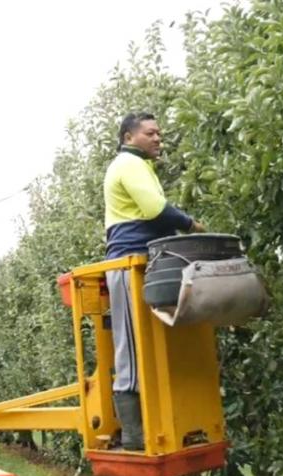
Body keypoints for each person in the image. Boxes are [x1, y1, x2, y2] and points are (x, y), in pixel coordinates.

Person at [104, 112, 204, 450]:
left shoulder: (141, 167)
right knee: (131, 347)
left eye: (160, 133)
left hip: (150, 259)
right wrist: (191, 225)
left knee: (155, 342)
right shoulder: (127, 164)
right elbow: (155, 210)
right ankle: (133, 436)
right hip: (129, 263)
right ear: (129, 137)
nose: (158, 138)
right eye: (151, 133)